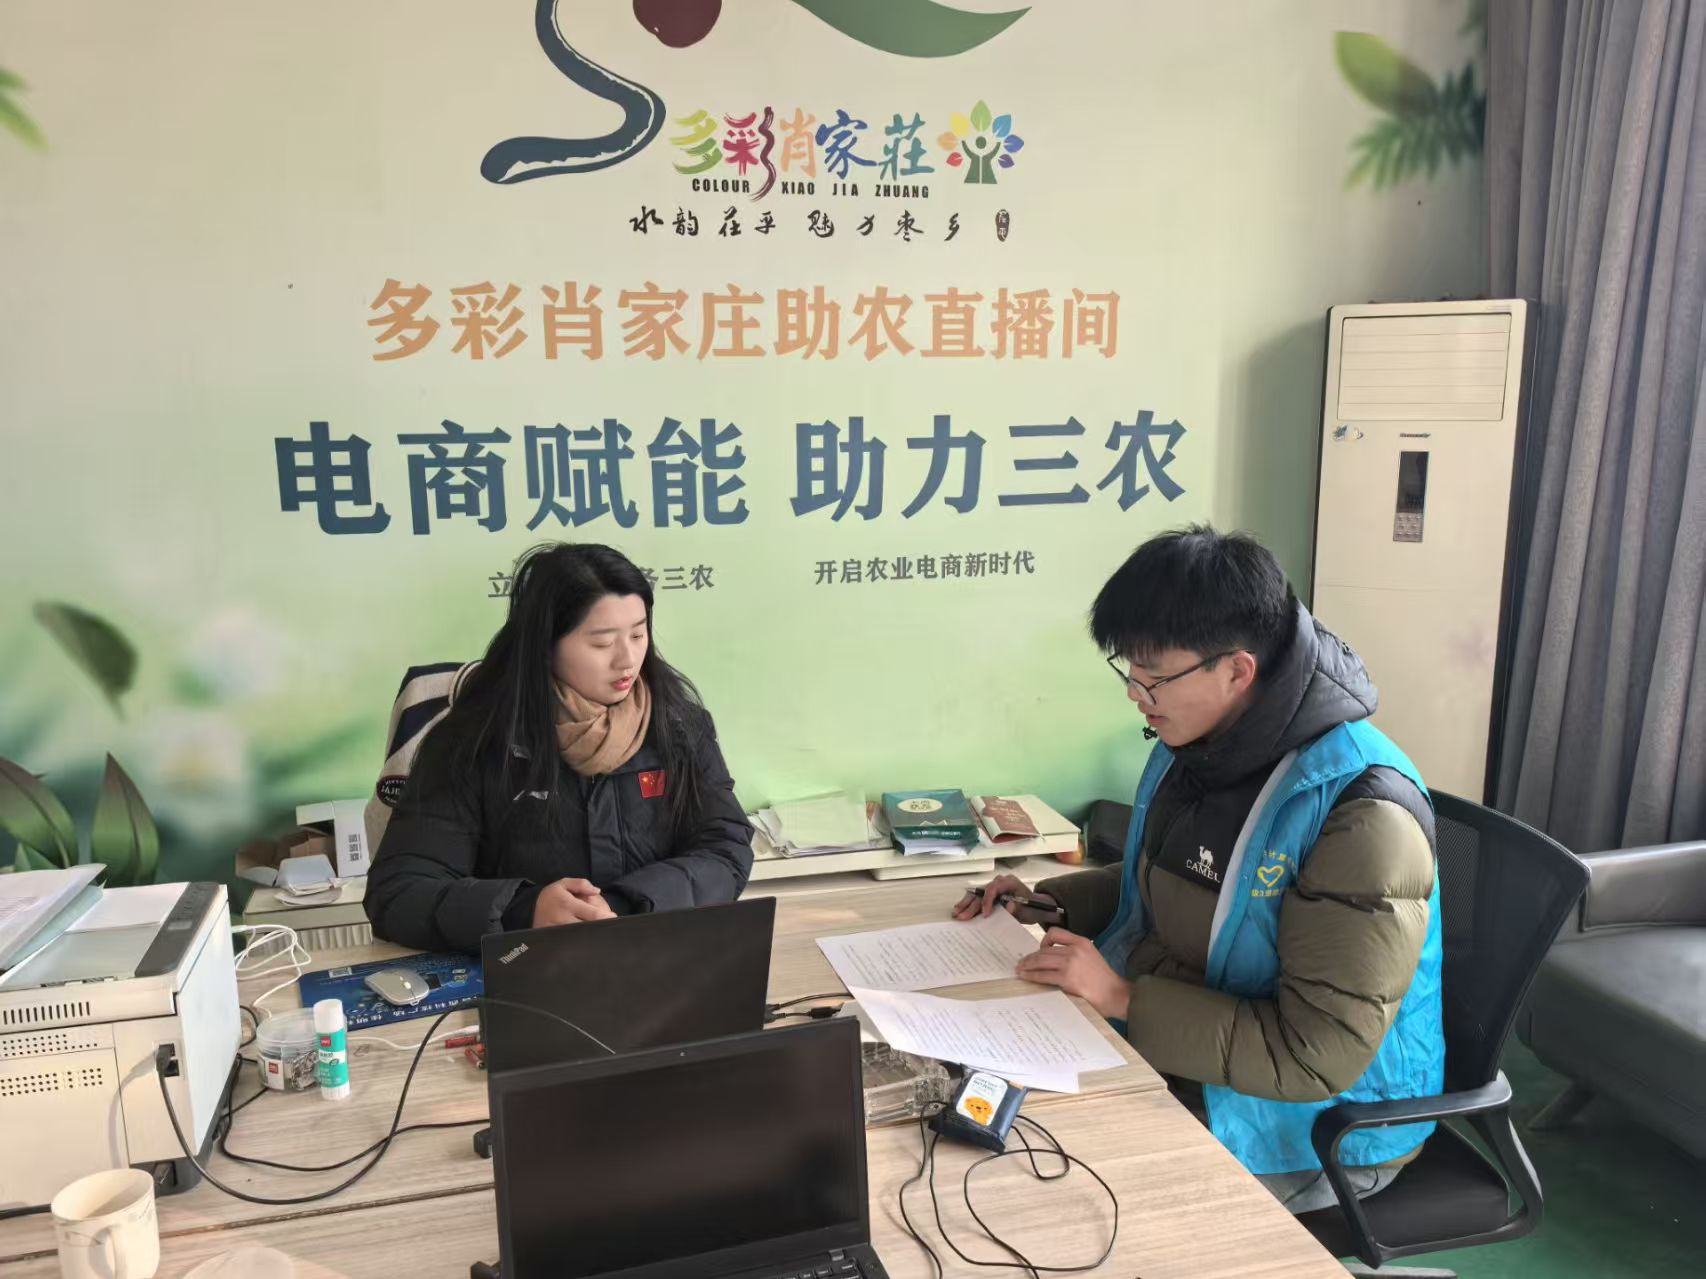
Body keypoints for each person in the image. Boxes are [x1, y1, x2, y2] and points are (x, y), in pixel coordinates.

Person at [954, 525, 1441, 1214]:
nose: (1136, 694)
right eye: (1129, 669)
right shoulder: (1202, 738)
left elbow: (1314, 1054)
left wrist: (1123, 997)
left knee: (1046, 1196)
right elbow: (1185, 882)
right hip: (1194, 1057)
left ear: (1237, 670)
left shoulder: (1361, 815)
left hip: (1311, 1131)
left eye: (1153, 676)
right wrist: (1050, 903)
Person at [366, 542, 754, 953]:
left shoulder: (678, 727)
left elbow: (724, 846)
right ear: (545, 645)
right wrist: (523, 911)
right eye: (602, 643)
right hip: (524, 967)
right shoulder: (473, 741)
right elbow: (399, 891)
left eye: (638, 634)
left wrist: (626, 905)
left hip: (655, 957)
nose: (627, 659)